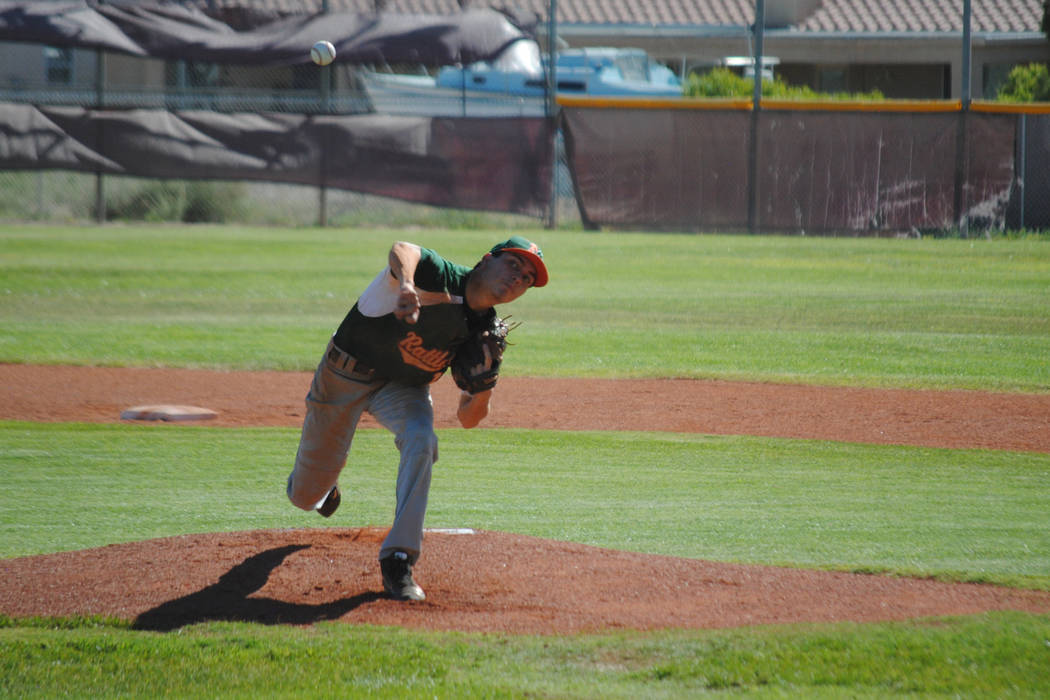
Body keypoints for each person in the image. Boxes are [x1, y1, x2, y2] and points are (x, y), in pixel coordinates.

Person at [286, 236, 548, 601]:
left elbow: (469, 419)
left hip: (404, 389)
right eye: (513, 265)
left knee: (422, 439)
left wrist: (485, 385)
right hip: (345, 375)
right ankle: (324, 488)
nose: (517, 278)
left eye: (527, 279)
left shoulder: (484, 332)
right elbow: (403, 249)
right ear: (487, 259)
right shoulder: (439, 276)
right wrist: (407, 285)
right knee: (304, 497)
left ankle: (398, 559)